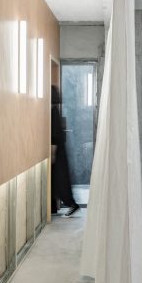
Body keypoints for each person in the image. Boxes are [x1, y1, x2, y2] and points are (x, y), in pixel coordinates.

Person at [51, 85, 80, 217]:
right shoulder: (54, 110)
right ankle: (56, 206)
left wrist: (52, 153)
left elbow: (55, 135)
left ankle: (72, 204)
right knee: (59, 180)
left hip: (57, 152)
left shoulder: (53, 111)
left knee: (60, 179)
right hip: (59, 151)